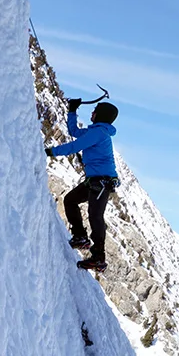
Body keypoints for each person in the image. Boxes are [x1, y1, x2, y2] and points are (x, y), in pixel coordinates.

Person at [45, 97, 120, 271]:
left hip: (102, 182)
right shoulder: (94, 131)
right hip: (95, 181)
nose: (92, 113)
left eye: (95, 111)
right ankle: (80, 237)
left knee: (95, 215)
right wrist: (72, 111)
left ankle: (98, 257)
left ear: (101, 115)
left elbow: (73, 146)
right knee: (71, 200)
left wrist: (49, 152)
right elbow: (73, 131)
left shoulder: (99, 133)